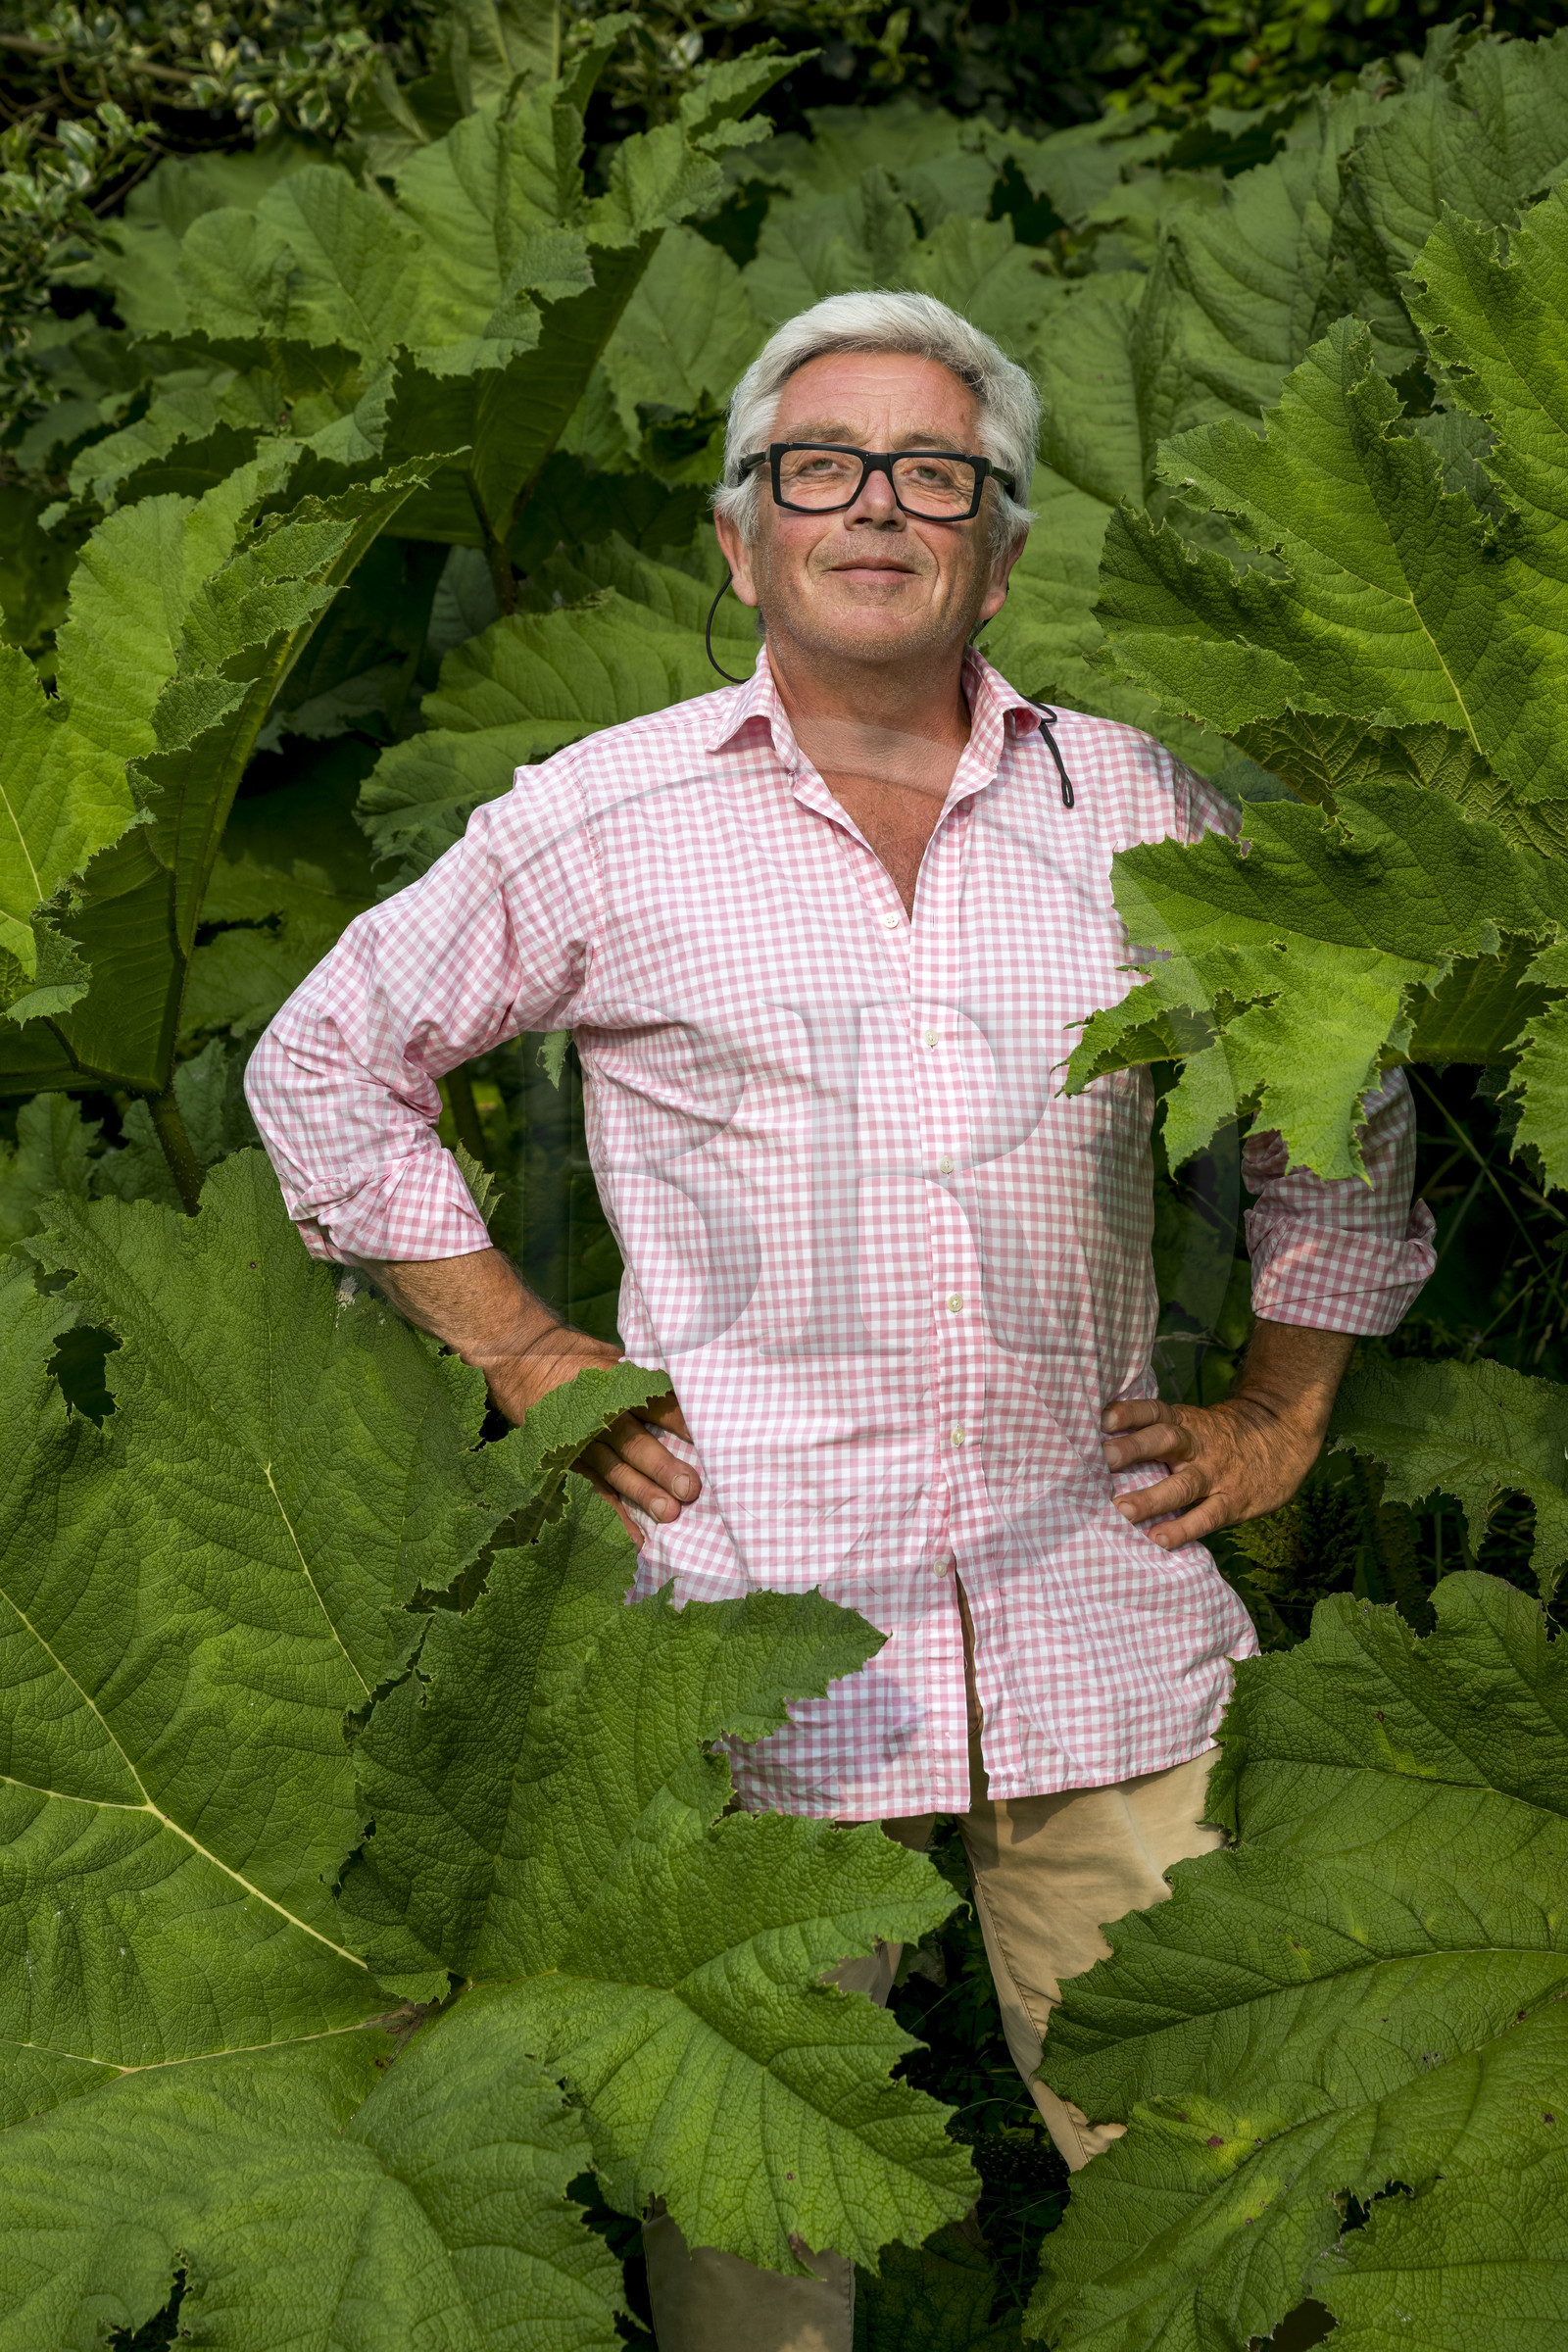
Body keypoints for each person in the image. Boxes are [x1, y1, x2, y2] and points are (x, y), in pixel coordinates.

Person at [246, 290, 1435, 2352]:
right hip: (745, 1625)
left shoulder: (1139, 809)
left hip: (1100, 1602)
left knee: (1216, 2209)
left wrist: (1279, 1397)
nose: (873, 506)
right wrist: (527, 1354)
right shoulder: (600, 817)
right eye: (820, 466)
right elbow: (321, 1067)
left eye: (932, 473)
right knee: (750, 2255)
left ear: (998, 549)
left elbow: (1341, 1085)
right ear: (740, 540)